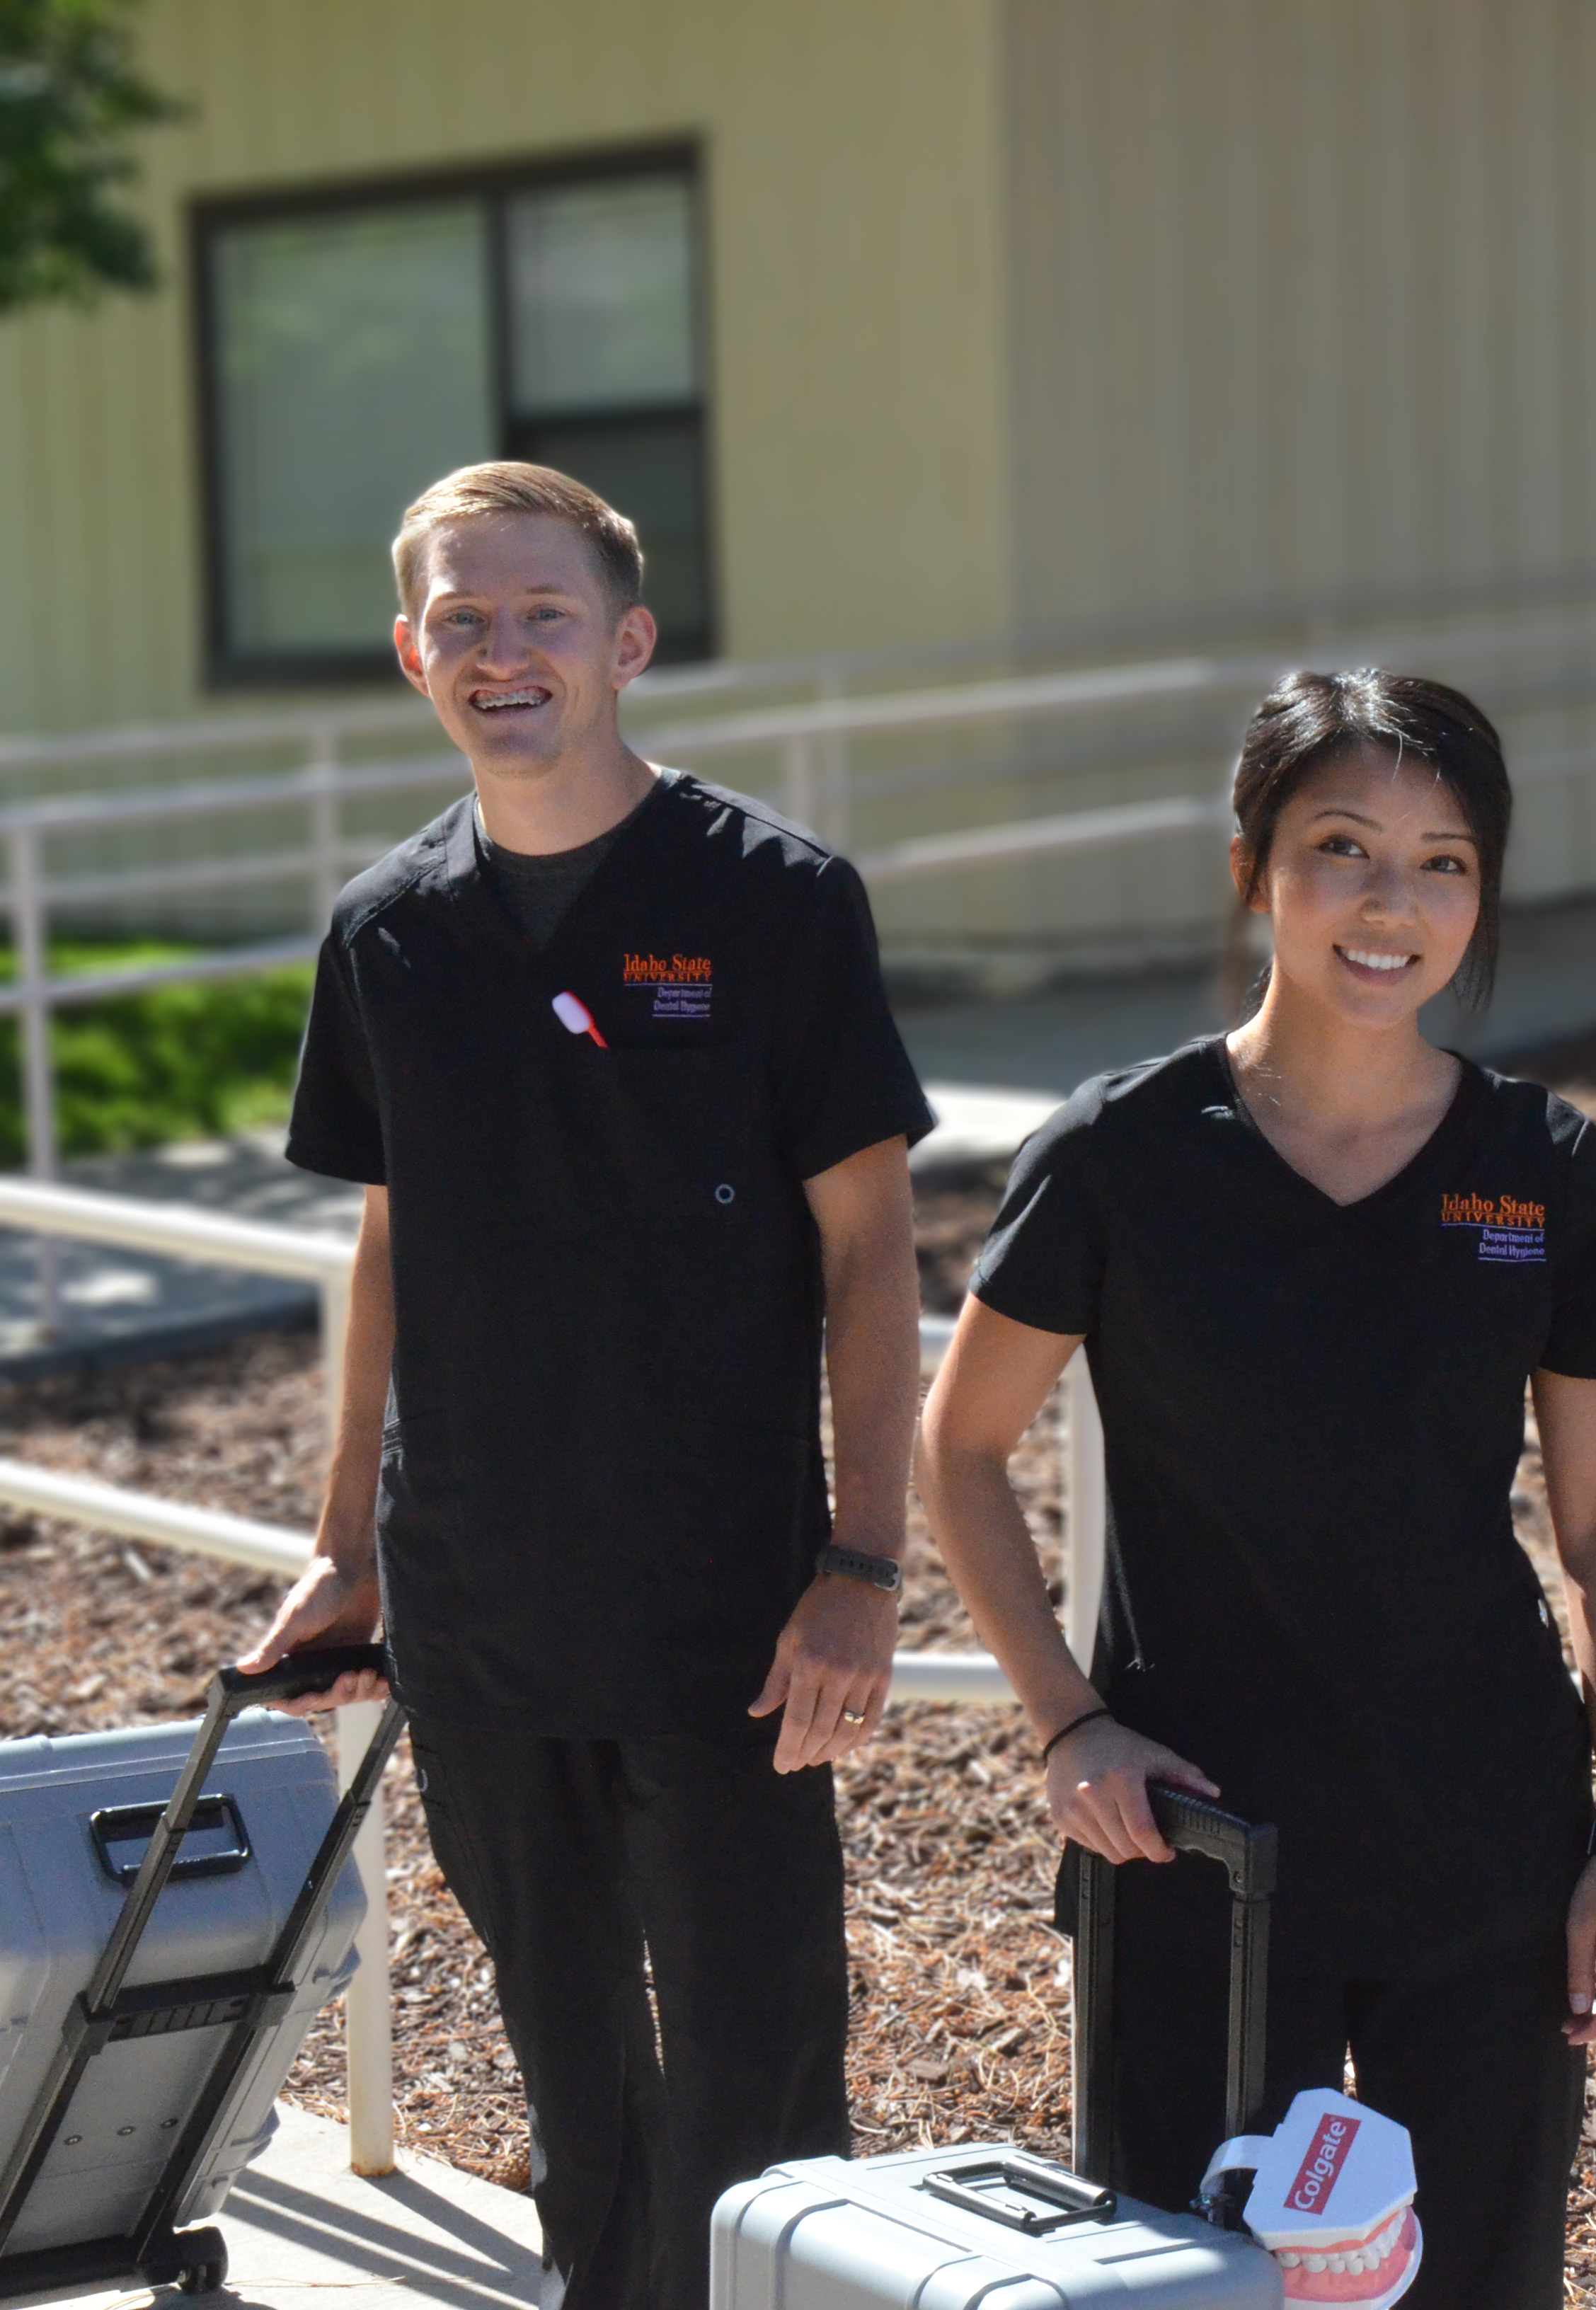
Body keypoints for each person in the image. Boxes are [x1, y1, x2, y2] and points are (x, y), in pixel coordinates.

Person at [238, 464, 936, 2310]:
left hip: (730, 1612)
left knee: (755, 2069)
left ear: (626, 643)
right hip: (479, 1609)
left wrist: (863, 1565)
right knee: (575, 2082)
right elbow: (396, 1243)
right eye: (460, 619)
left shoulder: (777, 904)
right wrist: (350, 1549)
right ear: (411, 655)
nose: (501, 651)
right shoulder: (389, 931)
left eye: (541, 614)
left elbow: (875, 1250)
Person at [916, 670, 1596, 2309]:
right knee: (1191, 2289)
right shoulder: (1120, 1153)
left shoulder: (1542, 1170)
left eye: (1445, 861)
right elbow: (956, 1453)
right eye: (1343, 847)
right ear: (1253, 867)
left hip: (1481, 1844)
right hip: (1194, 1843)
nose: (1392, 904)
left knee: (1466, 2284)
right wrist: (1066, 1722)